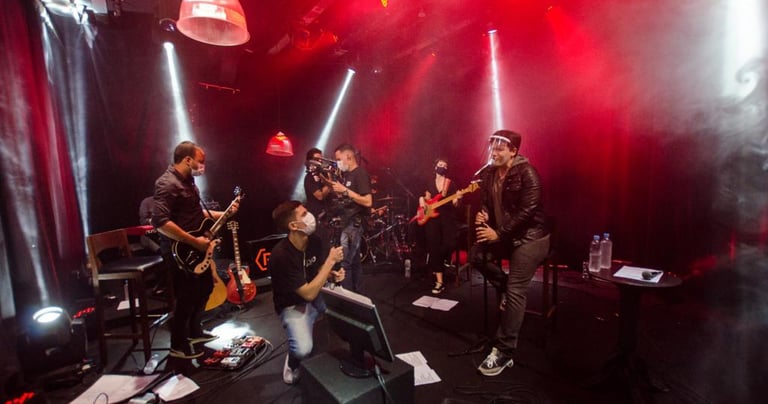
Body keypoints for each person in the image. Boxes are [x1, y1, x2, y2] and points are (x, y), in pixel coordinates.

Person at [472, 130, 550, 376]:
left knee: (518, 290)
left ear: (513, 151)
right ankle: (505, 287)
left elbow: (527, 211)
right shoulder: (489, 173)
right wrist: (482, 213)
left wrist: (499, 233)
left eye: (499, 149)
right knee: (475, 255)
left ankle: (504, 351)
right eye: (492, 148)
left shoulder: (528, 173)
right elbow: (485, 201)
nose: (493, 153)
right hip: (505, 235)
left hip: (530, 237)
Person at [152, 140, 238, 359]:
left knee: (205, 287)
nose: (203, 166)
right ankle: (177, 346)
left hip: (196, 246)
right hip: (179, 250)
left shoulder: (189, 182)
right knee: (186, 295)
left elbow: (196, 214)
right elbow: (160, 222)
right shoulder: (167, 183)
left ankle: (194, 332)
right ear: (187, 159)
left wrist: (225, 213)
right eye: (201, 161)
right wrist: (193, 241)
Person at [268, 200, 345, 385]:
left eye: (307, 211)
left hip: (314, 294)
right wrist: (330, 262)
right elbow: (308, 294)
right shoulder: (281, 255)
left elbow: (317, 271)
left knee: (345, 314)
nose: (310, 216)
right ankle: (292, 363)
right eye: (303, 215)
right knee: (303, 349)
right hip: (292, 304)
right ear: (293, 226)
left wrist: (332, 275)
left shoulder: (315, 241)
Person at [326, 144, 372, 292]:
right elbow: (348, 197)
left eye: (339, 159)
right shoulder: (347, 176)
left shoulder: (360, 174)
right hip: (348, 222)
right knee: (355, 263)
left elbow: (368, 201)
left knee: (345, 262)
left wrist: (345, 191)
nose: (338, 162)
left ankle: (347, 298)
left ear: (349, 157)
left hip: (355, 223)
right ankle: (359, 296)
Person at [417, 158, 459, 294]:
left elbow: (455, 203)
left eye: (445, 165)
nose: (442, 167)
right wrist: (422, 200)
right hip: (433, 217)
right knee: (433, 246)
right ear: (435, 167)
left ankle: (445, 259)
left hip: (447, 218)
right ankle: (439, 282)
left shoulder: (450, 183)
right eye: (440, 165)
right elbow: (427, 197)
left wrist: (456, 199)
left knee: (449, 243)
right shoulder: (429, 182)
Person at [303, 148, 333, 219]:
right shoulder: (309, 177)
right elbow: (320, 196)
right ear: (310, 161)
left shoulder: (323, 174)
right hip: (317, 215)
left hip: (328, 213)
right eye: (316, 159)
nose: (320, 161)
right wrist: (329, 180)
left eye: (321, 159)